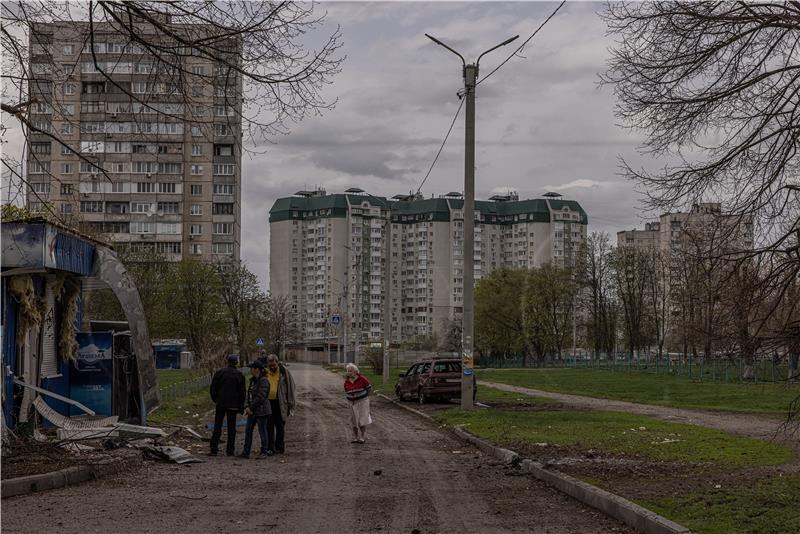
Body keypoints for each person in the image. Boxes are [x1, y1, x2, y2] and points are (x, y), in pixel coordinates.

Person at [209, 354, 246, 456]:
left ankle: (214, 448)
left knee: (217, 426)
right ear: (236, 363)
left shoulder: (220, 373)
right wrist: (241, 406)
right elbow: (242, 392)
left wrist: (216, 400)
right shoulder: (239, 375)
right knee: (231, 427)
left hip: (221, 403)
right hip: (233, 405)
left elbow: (213, 389)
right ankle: (230, 450)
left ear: (227, 361)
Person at [239, 361, 272, 459]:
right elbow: (248, 394)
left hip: (261, 411)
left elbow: (261, 396)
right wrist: (246, 406)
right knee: (248, 430)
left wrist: (250, 407)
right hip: (252, 411)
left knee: (262, 431)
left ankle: (264, 451)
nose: (250, 370)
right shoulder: (253, 380)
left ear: (257, 369)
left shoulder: (264, 380)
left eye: (251, 368)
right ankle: (246, 451)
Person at [265, 353, 295, 454]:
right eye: (270, 365)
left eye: (274, 365)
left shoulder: (284, 372)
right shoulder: (264, 373)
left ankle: (280, 447)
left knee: (280, 425)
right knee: (269, 426)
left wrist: (290, 404)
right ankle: (270, 447)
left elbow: (291, 387)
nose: (272, 367)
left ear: (277, 363)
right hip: (268, 403)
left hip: (280, 402)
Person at [344, 363, 372, 444]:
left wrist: (364, 397)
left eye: (351, 371)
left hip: (362, 402)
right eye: (348, 371)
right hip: (351, 403)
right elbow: (346, 391)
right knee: (354, 421)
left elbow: (369, 388)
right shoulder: (346, 381)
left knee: (362, 420)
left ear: (356, 371)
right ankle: (356, 437)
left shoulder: (362, 379)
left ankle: (362, 436)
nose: (349, 372)